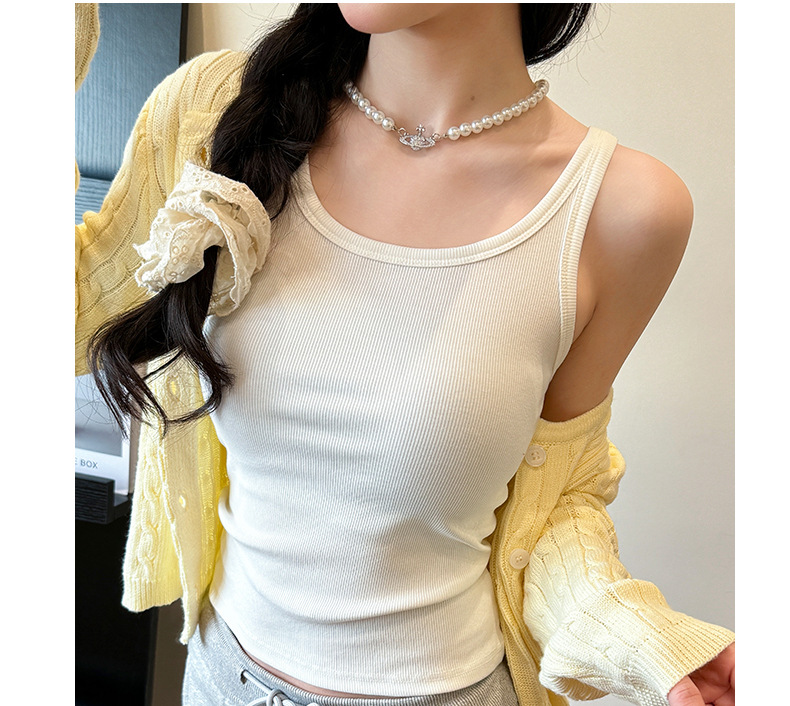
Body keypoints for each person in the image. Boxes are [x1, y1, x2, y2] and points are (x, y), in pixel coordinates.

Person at [75, 4, 735, 706]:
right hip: (218, 676)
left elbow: (555, 499)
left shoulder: (621, 210)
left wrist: (632, 632)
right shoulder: (218, 110)